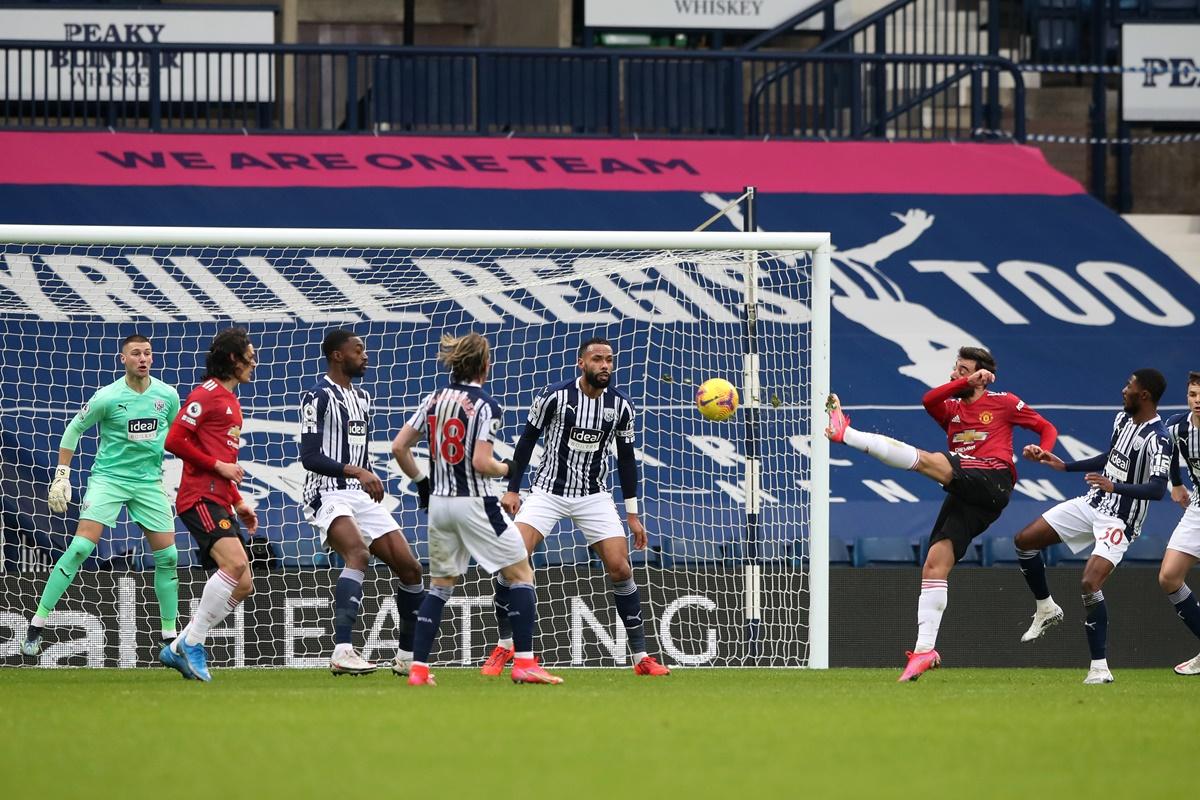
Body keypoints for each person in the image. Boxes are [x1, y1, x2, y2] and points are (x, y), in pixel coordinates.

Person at [826, 346, 1056, 682]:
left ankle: (846, 434)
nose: (954, 375)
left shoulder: (1004, 402)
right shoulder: (950, 410)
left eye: (963, 370)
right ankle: (924, 650)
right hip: (968, 491)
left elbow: (1045, 427)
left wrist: (1044, 449)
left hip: (994, 478)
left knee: (935, 461)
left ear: (981, 378)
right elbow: (929, 399)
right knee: (935, 562)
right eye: (955, 368)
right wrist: (966, 381)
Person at [391, 332, 562, 686]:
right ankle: (525, 663)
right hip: (476, 502)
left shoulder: (434, 399)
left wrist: (422, 481)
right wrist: (508, 468)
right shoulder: (485, 405)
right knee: (521, 573)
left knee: (440, 585)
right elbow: (483, 462)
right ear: (485, 365)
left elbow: (399, 447)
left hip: (439, 505)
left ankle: (419, 670)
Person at [497, 336, 670, 677]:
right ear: (582, 363)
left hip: (593, 495)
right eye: (597, 359)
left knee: (621, 568)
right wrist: (513, 489)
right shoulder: (555, 397)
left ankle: (641, 659)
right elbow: (527, 440)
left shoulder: (620, 406)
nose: (605, 365)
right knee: (512, 556)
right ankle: (506, 645)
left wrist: (632, 514)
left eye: (609, 359)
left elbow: (626, 461)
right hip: (547, 491)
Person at [22, 334, 181, 658]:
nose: (143, 358)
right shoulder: (107, 397)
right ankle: (36, 625)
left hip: (148, 483)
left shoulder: (167, 396)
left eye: (147, 353)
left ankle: (170, 639)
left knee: (169, 557)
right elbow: (73, 429)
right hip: (109, 480)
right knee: (80, 547)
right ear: (123, 359)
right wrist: (62, 475)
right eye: (136, 353)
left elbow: (177, 436)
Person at [1015, 368, 1171, 685]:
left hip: (1121, 519)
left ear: (1144, 395)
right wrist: (1064, 465)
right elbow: (1112, 458)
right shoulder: (1122, 420)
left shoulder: (1159, 440)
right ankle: (1046, 608)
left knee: (1089, 583)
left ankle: (1099, 667)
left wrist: (1115, 487)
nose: (1123, 390)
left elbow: (1156, 489)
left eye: (1129, 386)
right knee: (1024, 540)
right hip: (1093, 502)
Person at [300, 329, 425, 677]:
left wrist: (367, 476)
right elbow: (309, 456)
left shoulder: (364, 398)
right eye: (358, 351)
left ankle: (405, 657)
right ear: (338, 356)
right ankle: (342, 651)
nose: (365, 356)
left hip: (357, 492)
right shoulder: (317, 396)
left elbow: (360, 452)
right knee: (358, 553)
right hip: (325, 490)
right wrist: (356, 471)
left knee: (411, 569)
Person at [159, 328, 260, 682]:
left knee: (244, 582)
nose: (254, 362)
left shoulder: (232, 401)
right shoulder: (207, 394)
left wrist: (238, 501)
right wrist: (219, 468)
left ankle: (177, 647)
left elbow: (223, 456)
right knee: (235, 564)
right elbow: (174, 439)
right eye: (249, 355)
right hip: (197, 497)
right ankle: (194, 643)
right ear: (233, 359)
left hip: (220, 498)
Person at [1157, 372, 1200, 676]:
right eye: (1193, 394)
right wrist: (1175, 483)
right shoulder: (1177, 425)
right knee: (1169, 576)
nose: (1197, 401)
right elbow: (1169, 450)